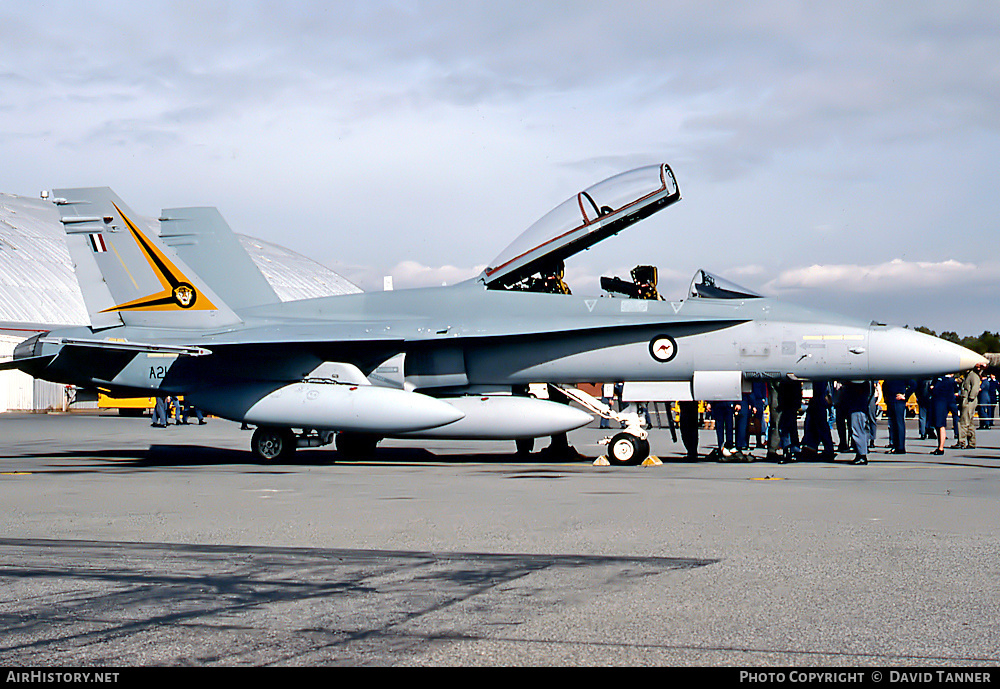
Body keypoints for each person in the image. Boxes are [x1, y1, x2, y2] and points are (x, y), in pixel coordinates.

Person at [801, 380, 835, 460]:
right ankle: (812, 446)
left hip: (819, 400)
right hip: (818, 399)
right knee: (816, 424)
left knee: (821, 425)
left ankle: (827, 449)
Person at [842, 381, 872, 465]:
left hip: (857, 408)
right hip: (859, 408)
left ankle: (862, 455)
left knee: (858, 431)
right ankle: (860, 454)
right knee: (860, 431)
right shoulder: (864, 384)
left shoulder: (858, 383)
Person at [956, 363, 985, 449]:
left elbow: (975, 388)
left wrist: (970, 398)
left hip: (968, 400)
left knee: (963, 421)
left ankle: (961, 441)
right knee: (970, 422)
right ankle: (971, 441)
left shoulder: (973, 376)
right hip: (968, 399)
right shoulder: (969, 375)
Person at [883, 379, 915, 454]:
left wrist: (905, 396)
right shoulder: (890, 375)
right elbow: (884, 385)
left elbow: (914, 384)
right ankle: (895, 445)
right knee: (893, 425)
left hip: (898, 401)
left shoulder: (901, 375)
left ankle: (900, 447)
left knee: (899, 424)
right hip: (891, 400)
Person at [929, 374, 958, 455]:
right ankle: (939, 446)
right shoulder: (950, 380)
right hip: (940, 403)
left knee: (940, 425)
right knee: (938, 425)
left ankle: (941, 447)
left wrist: (932, 388)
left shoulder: (944, 380)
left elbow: (934, 389)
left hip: (940, 403)